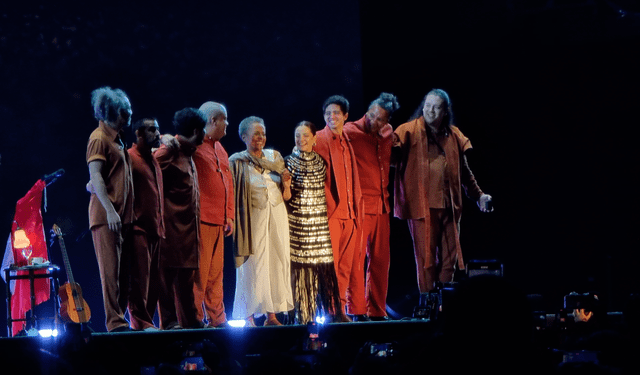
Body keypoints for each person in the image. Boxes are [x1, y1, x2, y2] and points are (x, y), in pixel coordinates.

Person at [392, 88, 492, 294]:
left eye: (436, 107)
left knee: (450, 259)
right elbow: (389, 155)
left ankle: (443, 301)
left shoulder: (453, 135)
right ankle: (428, 302)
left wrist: (480, 195)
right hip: (422, 207)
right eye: (427, 106)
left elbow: (465, 172)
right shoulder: (408, 131)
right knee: (426, 260)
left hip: (449, 206)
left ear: (445, 111)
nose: (430, 111)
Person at [229, 116, 294, 326]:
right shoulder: (237, 161)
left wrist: (286, 184)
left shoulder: (274, 157)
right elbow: (231, 192)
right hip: (251, 219)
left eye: (263, 133)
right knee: (252, 265)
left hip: (276, 215)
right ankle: (249, 316)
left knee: (276, 262)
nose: (260, 138)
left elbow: (286, 195)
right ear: (244, 136)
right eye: (256, 133)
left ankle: (271, 315)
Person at [343, 93, 400, 321]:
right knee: (357, 260)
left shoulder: (388, 133)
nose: (373, 121)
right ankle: (355, 309)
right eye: (371, 115)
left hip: (382, 205)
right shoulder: (349, 131)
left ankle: (376, 310)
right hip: (359, 205)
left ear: (386, 122)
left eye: (379, 119)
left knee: (380, 262)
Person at [86, 86, 135, 332]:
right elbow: (95, 176)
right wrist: (110, 210)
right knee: (111, 274)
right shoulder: (99, 138)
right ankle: (114, 322)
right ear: (111, 112)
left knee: (123, 276)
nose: (128, 117)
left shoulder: (117, 139)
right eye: (124, 113)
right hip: (107, 217)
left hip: (122, 216)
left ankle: (120, 319)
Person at [284, 121, 342, 324]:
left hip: (319, 226)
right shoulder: (289, 162)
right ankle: (302, 317)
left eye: (305, 135)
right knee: (301, 275)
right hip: (298, 227)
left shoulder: (321, 162)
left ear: (315, 138)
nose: (301, 140)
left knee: (317, 274)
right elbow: (286, 197)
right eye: (297, 135)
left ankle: (318, 318)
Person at [154, 107, 206, 329]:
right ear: (196, 130)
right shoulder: (170, 151)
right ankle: (170, 322)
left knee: (186, 279)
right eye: (202, 130)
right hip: (171, 228)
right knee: (166, 279)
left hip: (187, 230)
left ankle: (190, 321)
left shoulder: (188, 152)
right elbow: (146, 169)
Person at [314, 95, 364, 321]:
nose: (331, 117)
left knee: (345, 266)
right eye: (327, 113)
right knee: (329, 266)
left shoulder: (347, 141)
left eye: (336, 113)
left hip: (350, 214)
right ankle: (329, 309)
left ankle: (340, 309)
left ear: (345, 116)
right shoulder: (318, 139)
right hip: (331, 213)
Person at [192, 101, 234, 328]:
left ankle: (217, 319)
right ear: (213, 121)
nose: (228, 123)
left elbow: (228, 183)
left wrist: (229, 215)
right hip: (201, 220)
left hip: (219, 221)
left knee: (216, 275)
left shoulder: (220, 149)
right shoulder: (194, 145)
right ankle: (196, 319)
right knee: (200, 274)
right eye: (225, 119)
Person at [127, 118, 165, 330]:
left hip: (155, 229)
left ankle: (147, 321)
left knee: (153, 284)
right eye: (152, 129)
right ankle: (139, 321)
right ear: (139, 134)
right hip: (138, 228)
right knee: (139, 280)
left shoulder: (153, 160)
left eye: (158, 129)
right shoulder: (130, 157)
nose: (157, 133)